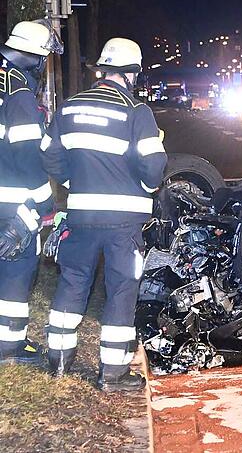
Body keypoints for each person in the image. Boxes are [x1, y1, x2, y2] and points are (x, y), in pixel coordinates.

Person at [41, 38, 167, 391]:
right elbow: (153, 168)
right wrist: (145, 188)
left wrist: (75, 182)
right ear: (131, 73)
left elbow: (48, 154)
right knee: (122, 289)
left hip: (80, 215)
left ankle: (59, 361)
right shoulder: (136, 111)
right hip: (123, 223)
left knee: (73, 281)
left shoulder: (69, 107)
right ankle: (112, 373)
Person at [0, 20, 62, 365]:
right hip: (9, 201)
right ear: (34, 56)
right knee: (16, 266)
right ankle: (9, 347)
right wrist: (45, 202)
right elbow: (26, 155)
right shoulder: (19, 95)